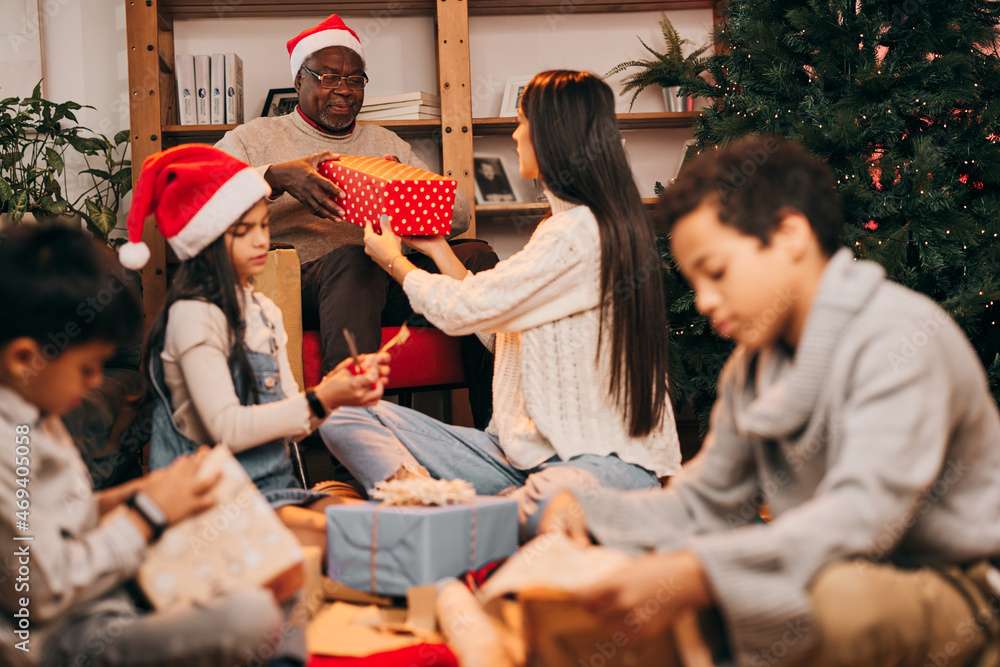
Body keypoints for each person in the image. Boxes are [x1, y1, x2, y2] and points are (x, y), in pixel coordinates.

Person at [540, 136, 1000, 667]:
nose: (705, 301)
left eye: (716, 272)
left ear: (789, 234)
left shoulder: (898, 336)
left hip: (965, 587)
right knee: (665, 572)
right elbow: (704, 504)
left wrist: (700, 572)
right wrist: (593, 513)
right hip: (843, 566)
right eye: (694, 281)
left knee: (833, 601)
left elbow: (864, 517)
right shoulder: (752, 366)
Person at [321, 70, 682, 535]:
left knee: (555, 493)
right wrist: (433, 249)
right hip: (514, 458)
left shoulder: (582, 234)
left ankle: (447, 520)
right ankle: (451, 511)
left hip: (596, 467)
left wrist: (394, 261)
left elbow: (460, 309)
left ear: (553, 134)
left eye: (521, 122)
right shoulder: (560, 229)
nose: (514, 134)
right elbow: (494, 328)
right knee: (345, 413)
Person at [0, 224, 302, 667]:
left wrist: (134, 496)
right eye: (87, 367)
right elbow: (43, 592)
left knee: (281, 577)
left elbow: (56, 519)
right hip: (56, 637)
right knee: (252, 616)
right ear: (25, 358)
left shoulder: (39, 413)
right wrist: (148, 515)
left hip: (106, 595)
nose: (96, 381)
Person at [216, 14, 499, 428]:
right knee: (354, 259)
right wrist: (275, 177)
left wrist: (405, 193)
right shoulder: (254, 138)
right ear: (299, 82)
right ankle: (354, 452)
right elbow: (197, 200)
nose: (344, 90)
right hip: (306, 285)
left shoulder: (385, 143)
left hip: (390, 278)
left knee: (477, 255)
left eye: (355, 79)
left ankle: (502, 436)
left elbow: (459, 215)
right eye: (329, 77)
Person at [118, 145, 388, 558]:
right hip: (215, 506)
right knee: (353, 541)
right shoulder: (194, 315)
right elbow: (227, 428)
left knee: (372, 519)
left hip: (278, 491)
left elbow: (292, 425)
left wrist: (338, 392)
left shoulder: (265, 311)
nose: (262, 240)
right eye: (242, 231)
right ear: (206, 237)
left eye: (263, 225)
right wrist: (322, 398)